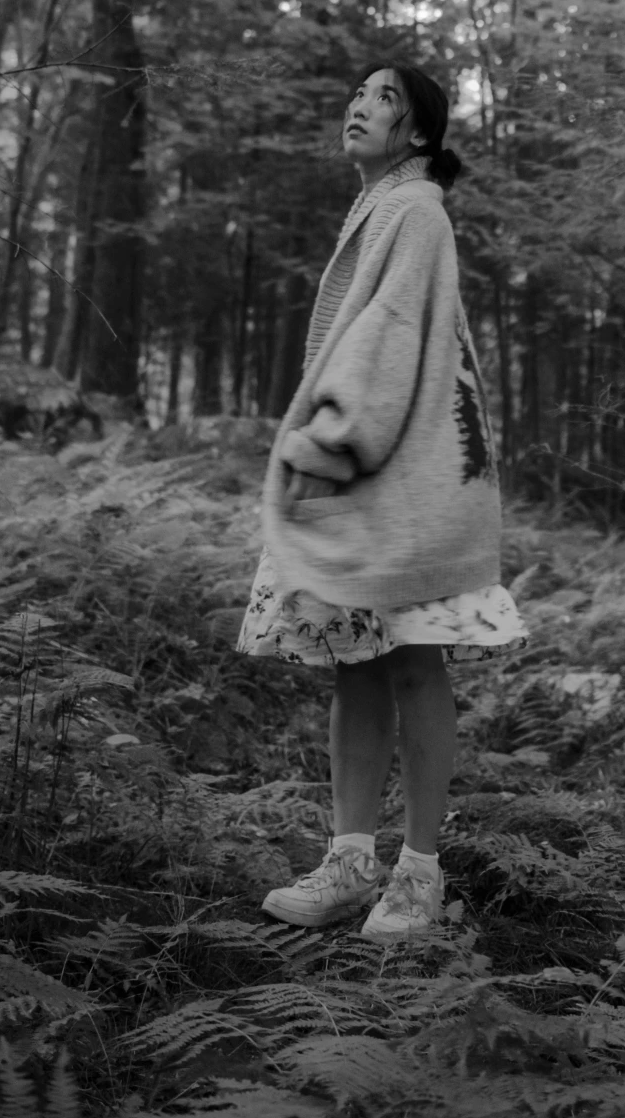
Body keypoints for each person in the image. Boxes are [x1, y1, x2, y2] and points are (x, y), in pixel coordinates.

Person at [236, 61, 524, 942]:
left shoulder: (417, 209)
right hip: (372, 464)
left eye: (385, 98)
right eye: (357, 91)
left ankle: (419, 875)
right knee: (354, 657)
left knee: (411, 658)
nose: (360, 104)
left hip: (402, 468)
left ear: (422, 134)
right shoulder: (383, 205)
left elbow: (394, 336)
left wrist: (333, 442)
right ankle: (351, 859)